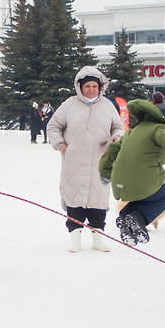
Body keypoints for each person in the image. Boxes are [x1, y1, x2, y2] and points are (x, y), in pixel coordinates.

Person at [99, 99, 165, 246]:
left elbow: (113, 149)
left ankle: (125, 219)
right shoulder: (157, 129)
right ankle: (139, 218)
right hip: (142, 179)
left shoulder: (132, 131)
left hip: (120, 180)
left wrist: (105, 172)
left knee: (140, 198)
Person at [47, 66, 124, 252]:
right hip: (74, 161)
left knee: (98, 200)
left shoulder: (107, 105)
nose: (91, 89)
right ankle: (75, 239)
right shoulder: (69, 105)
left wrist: (116, 138)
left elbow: (118, 127)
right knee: (75, 199)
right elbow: (53, 125)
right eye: (87, 86)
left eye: (94, 86)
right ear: (79, 86)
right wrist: (61, 144)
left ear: (100, 87)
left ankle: (98, 238)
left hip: (100, 160)